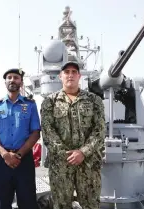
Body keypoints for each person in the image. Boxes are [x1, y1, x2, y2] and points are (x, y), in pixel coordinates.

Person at [41, 61, 105, 209]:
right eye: (66, 72)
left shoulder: (94, 100)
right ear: (60, 76)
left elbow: (100, 130)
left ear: (79, 76)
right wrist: (67, 155)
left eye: (74, 72)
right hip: (60, 165)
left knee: (91, 205)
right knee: (62, 205)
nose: (70, 75)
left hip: (88, 163)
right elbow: (47, 131)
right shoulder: (49, 102)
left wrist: (83, 152)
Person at [0, 68, 41, 209]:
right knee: (3, 202)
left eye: (16, 77)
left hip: (24, 159)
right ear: (5, 82)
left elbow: (35, 133)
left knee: (28, 202)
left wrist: (18, 155)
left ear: (21, 82)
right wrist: (5, 154)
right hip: (2, 160)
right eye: (9, 77)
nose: (12, 80)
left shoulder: (30, 105)